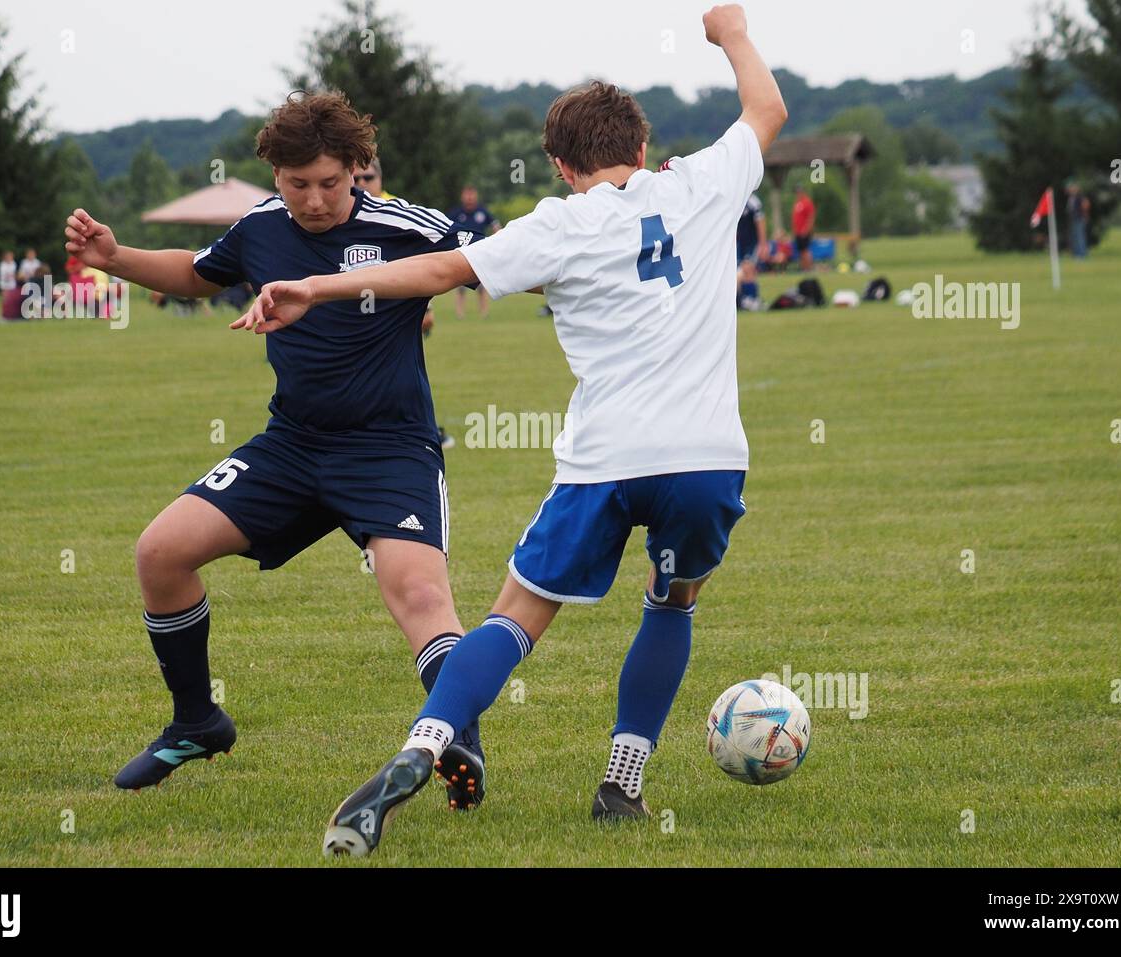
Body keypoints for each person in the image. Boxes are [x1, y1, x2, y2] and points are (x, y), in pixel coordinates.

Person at [232, 3, 787, 857]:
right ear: (640, 149)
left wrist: (318, 288)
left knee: (516, 617)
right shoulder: (703, 182)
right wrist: (732, 34)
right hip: (707, 460)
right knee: (671, 598)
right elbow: (765, 111)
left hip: (604, 462)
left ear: (563, 166)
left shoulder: (556, 224)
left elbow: (436, 269)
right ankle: (622, 783)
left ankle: (424, 743)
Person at [64, 91, 487, 809]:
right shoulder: (261, 227)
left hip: (390, 450)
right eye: (298, 185)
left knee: (420, 593)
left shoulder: (408, 225)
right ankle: (198, 720)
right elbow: (198, 274)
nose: (316, 199)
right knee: (160, 552)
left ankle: (458, 738)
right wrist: (115, 257)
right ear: (276, 176)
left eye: (330, 181)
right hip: (292, 446)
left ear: (358, 168)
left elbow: (504, 260)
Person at [355, 157, 456, 450]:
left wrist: (428, 308)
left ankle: (426, 431)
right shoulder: (341, 214)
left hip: (395, 313)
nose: (362, 184)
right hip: (355, 314)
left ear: (381, 179)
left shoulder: (397, 212)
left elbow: (422, 264)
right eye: (357, 178)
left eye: (368, 178)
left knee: (401, 376)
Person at [445, 186, 499, 319]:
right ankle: (460, 313)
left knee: (482, 285)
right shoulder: (456, 213)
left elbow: (495, 225)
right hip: (462, 254)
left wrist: (497, 238)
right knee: (460, 285)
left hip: (480, 253)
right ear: (462, 196)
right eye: (467, 195)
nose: (469, 198)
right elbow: (445, 227)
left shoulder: (482, 212)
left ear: (475, 196)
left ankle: (484, 313)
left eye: (471, 194)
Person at [791, 185, 815, 271]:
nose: (797, 194)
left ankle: (809, 268)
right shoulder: (797, 203)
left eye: (799, 192)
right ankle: (804, 268)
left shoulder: (807, 202)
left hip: (804, 232)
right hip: (797, 232)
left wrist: (806, 229)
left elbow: (811, 217)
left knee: (805, 250)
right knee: (801, 251)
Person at [1066, 182, 1090, 259]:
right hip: (1073, 219)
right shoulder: (1071, 197)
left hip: (1079, 218)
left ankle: (1082, 254)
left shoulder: (1080, 197)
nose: (1071, 190)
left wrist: (1085, 215)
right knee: (1075, 237)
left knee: (1080, 236)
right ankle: (1076, 254)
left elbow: (1086, 205)